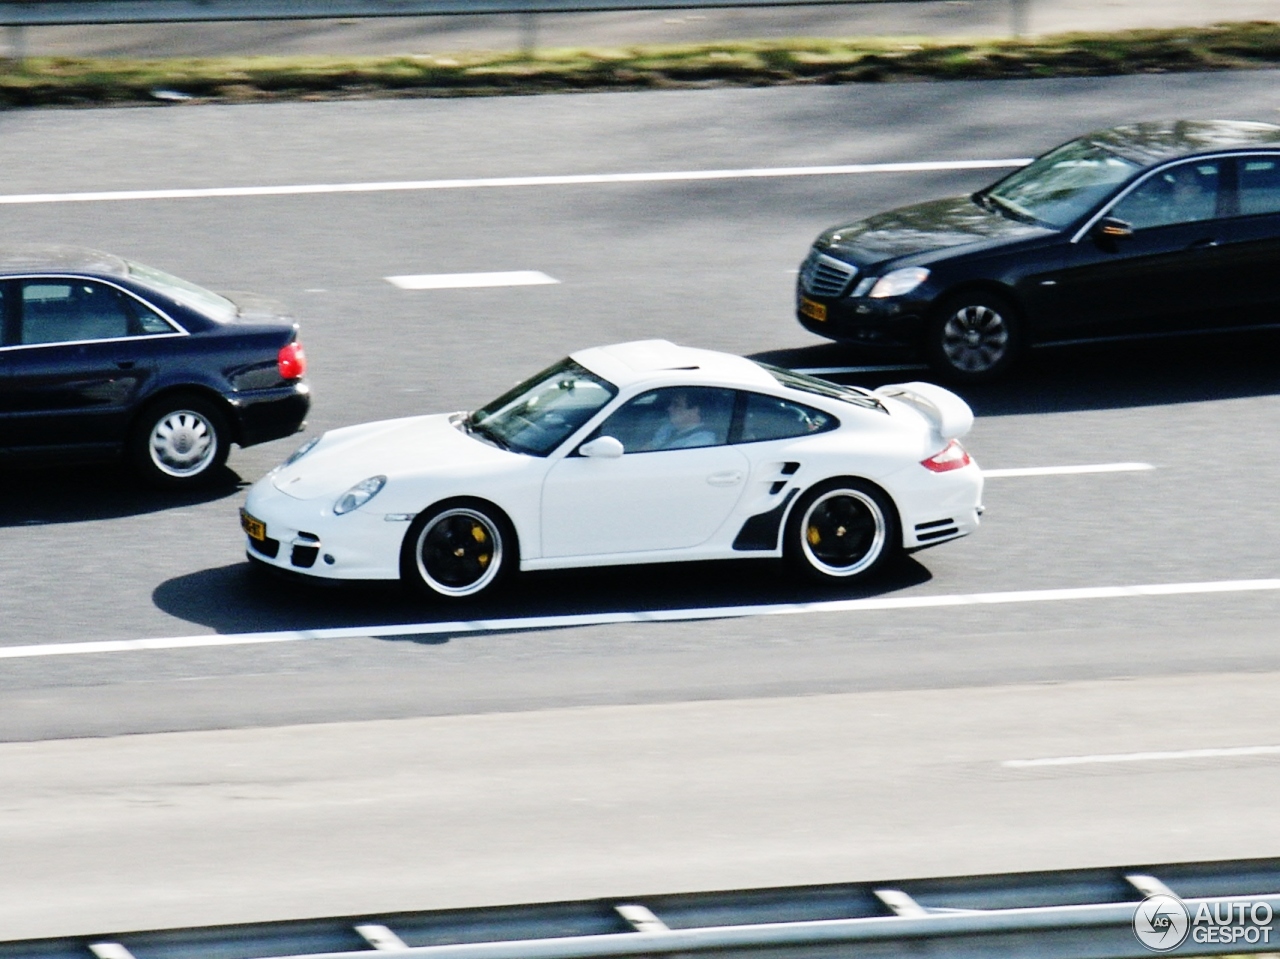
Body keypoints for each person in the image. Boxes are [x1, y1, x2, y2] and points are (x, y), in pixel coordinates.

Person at [647, 390, 716, 450]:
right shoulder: (668, 427)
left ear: (694, 411)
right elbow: (649, 447)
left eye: (676, 405)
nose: (669, 408)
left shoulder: (702, 441)